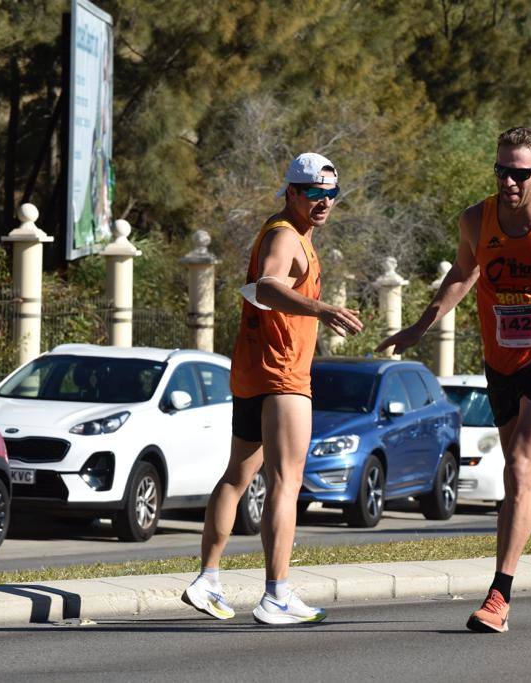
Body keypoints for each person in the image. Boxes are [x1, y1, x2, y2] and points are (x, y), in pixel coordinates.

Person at [377, 127, 531, 634]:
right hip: (502, 362)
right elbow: (461, 275)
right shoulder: (477, 219)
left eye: (519, 174)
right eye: (501, 172)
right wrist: (419, 326)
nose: (508, 183)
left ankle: (499, 596)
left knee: (516, 467)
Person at [182, 152, 363, 625]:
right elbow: (266, 285)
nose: (324, 203)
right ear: (292, 193)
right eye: (315, 195)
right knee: (287, 482)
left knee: (237, 476)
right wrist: (321, 310)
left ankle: (208, 579)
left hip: (251, 370)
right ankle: (276, 595)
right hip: (282, 375)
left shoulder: (285, 230)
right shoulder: (285, 236)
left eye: (331, 195)